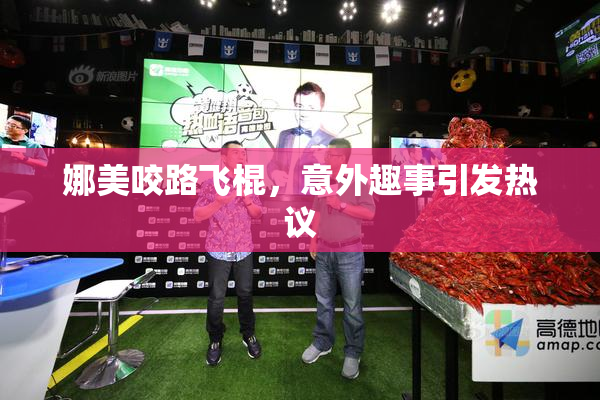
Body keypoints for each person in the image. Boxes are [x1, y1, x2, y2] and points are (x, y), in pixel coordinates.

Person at [302, 138, 375, 380]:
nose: (325, 158)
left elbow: (369, 213)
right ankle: (323, 342)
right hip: (324, 251)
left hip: (349, 252)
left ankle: (353, 351)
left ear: (342, 158)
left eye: (329, 155)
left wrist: (341, 205)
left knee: (352, 306)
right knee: (323, 300)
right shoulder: (322, 181)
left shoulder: (358, 183)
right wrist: (313, 239)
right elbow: (316, 212)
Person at [193, 140, 263, 366]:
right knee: (216, 298)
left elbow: (258, 214)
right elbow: (198, 215)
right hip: (218, 251)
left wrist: (248, 200)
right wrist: (218, 202)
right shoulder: (211, 184)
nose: (242, 156)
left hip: (244, 250)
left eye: (244, 153)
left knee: (245, 294)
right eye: (236, 153)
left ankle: (248, 334)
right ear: (223, 157)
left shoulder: (250, 182)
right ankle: (215, 339)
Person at [267, 82, 335, 194]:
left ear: (321, 109)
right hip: (283, 199)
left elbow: (339, 179)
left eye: (311, 107)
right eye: (299, 106)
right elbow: (273, 163)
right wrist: (275, 173)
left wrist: (324, 164)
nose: (304, 113)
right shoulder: (284, 135)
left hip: (312, 201)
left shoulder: (333, 141)